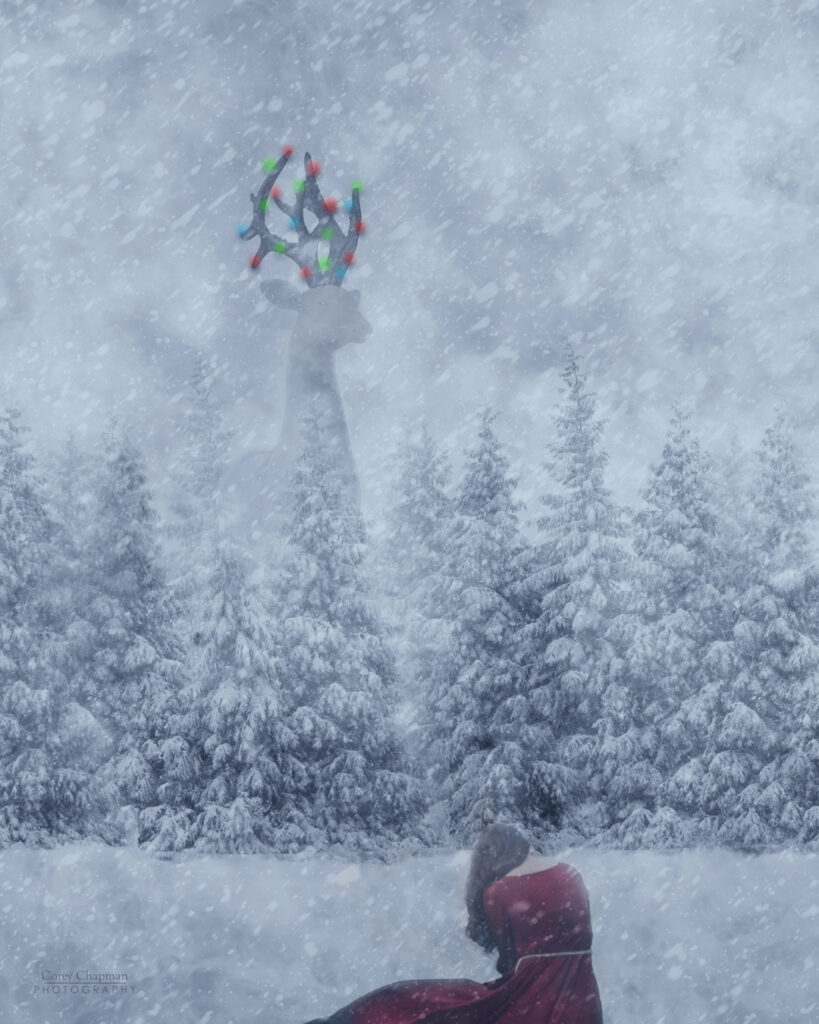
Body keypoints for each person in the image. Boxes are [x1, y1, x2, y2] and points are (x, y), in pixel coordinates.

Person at [301, 822, 604, 1024]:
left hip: (532, 1001)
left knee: (419, 1001)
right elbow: (578, 936)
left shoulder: (499, 891)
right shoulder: (570, 873)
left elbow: (510, 961)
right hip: (584, 1002)